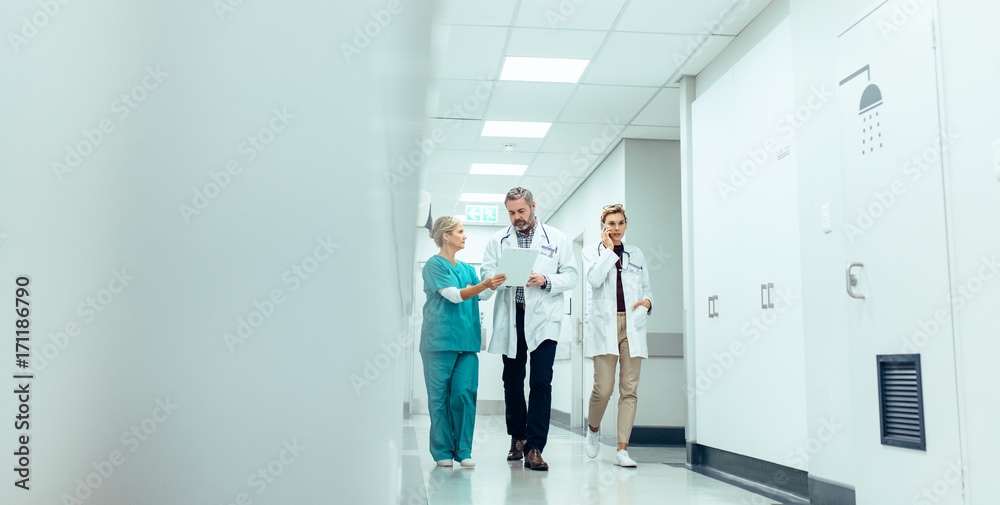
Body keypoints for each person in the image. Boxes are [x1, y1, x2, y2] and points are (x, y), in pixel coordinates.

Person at [481, 187, 579, 471]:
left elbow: (571, 275)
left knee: (540, 381)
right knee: (512, 382)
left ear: (533, 206)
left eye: (521, 211)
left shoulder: (557, 239)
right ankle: (518, 438)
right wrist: (494, 278)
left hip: (544, 320)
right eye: (511, 213)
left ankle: (535, 447)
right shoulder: (497, 240)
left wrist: (545, 279)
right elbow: (485, 273)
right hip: (512, 318)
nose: (517, 218)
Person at [421, 216, 506, 468]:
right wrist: (484, 284)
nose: (464, 235)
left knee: (464, 395)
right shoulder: (434, 266)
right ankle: (442, 452)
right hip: (438, 343)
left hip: (467, 343)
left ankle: (464, 451)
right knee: (439, 398)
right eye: (460, 231)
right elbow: (454, 296)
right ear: (446, 235)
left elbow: (484, 294)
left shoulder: (468, 269)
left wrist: (499, 281)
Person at [581, 204, 653, 468]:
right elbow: (595, 280)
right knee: (603, 389)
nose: (616, 228)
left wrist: (647, 302)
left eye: (621, 223)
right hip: (604, 326)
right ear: (603, 226)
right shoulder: (592, 252)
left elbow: (647, 288)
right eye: (611, 223)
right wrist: (609, 252)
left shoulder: (637, 254)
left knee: (629, 390)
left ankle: (622, 448)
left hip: (632, 324)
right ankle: (593, 428)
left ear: (626, 224)